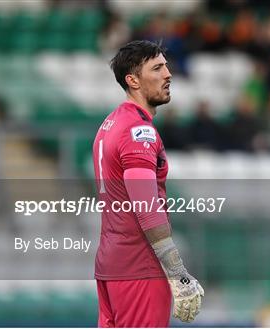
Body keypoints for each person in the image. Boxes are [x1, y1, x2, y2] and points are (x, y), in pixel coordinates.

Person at [92, 40, 204, 327]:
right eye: (157, 68)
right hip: (139, 266)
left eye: (166, 66)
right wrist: (177, 271)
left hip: (111, 264)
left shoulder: (111, 124)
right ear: (133, 80)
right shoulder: (138, 131)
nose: (168, 74)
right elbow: (146, 207)